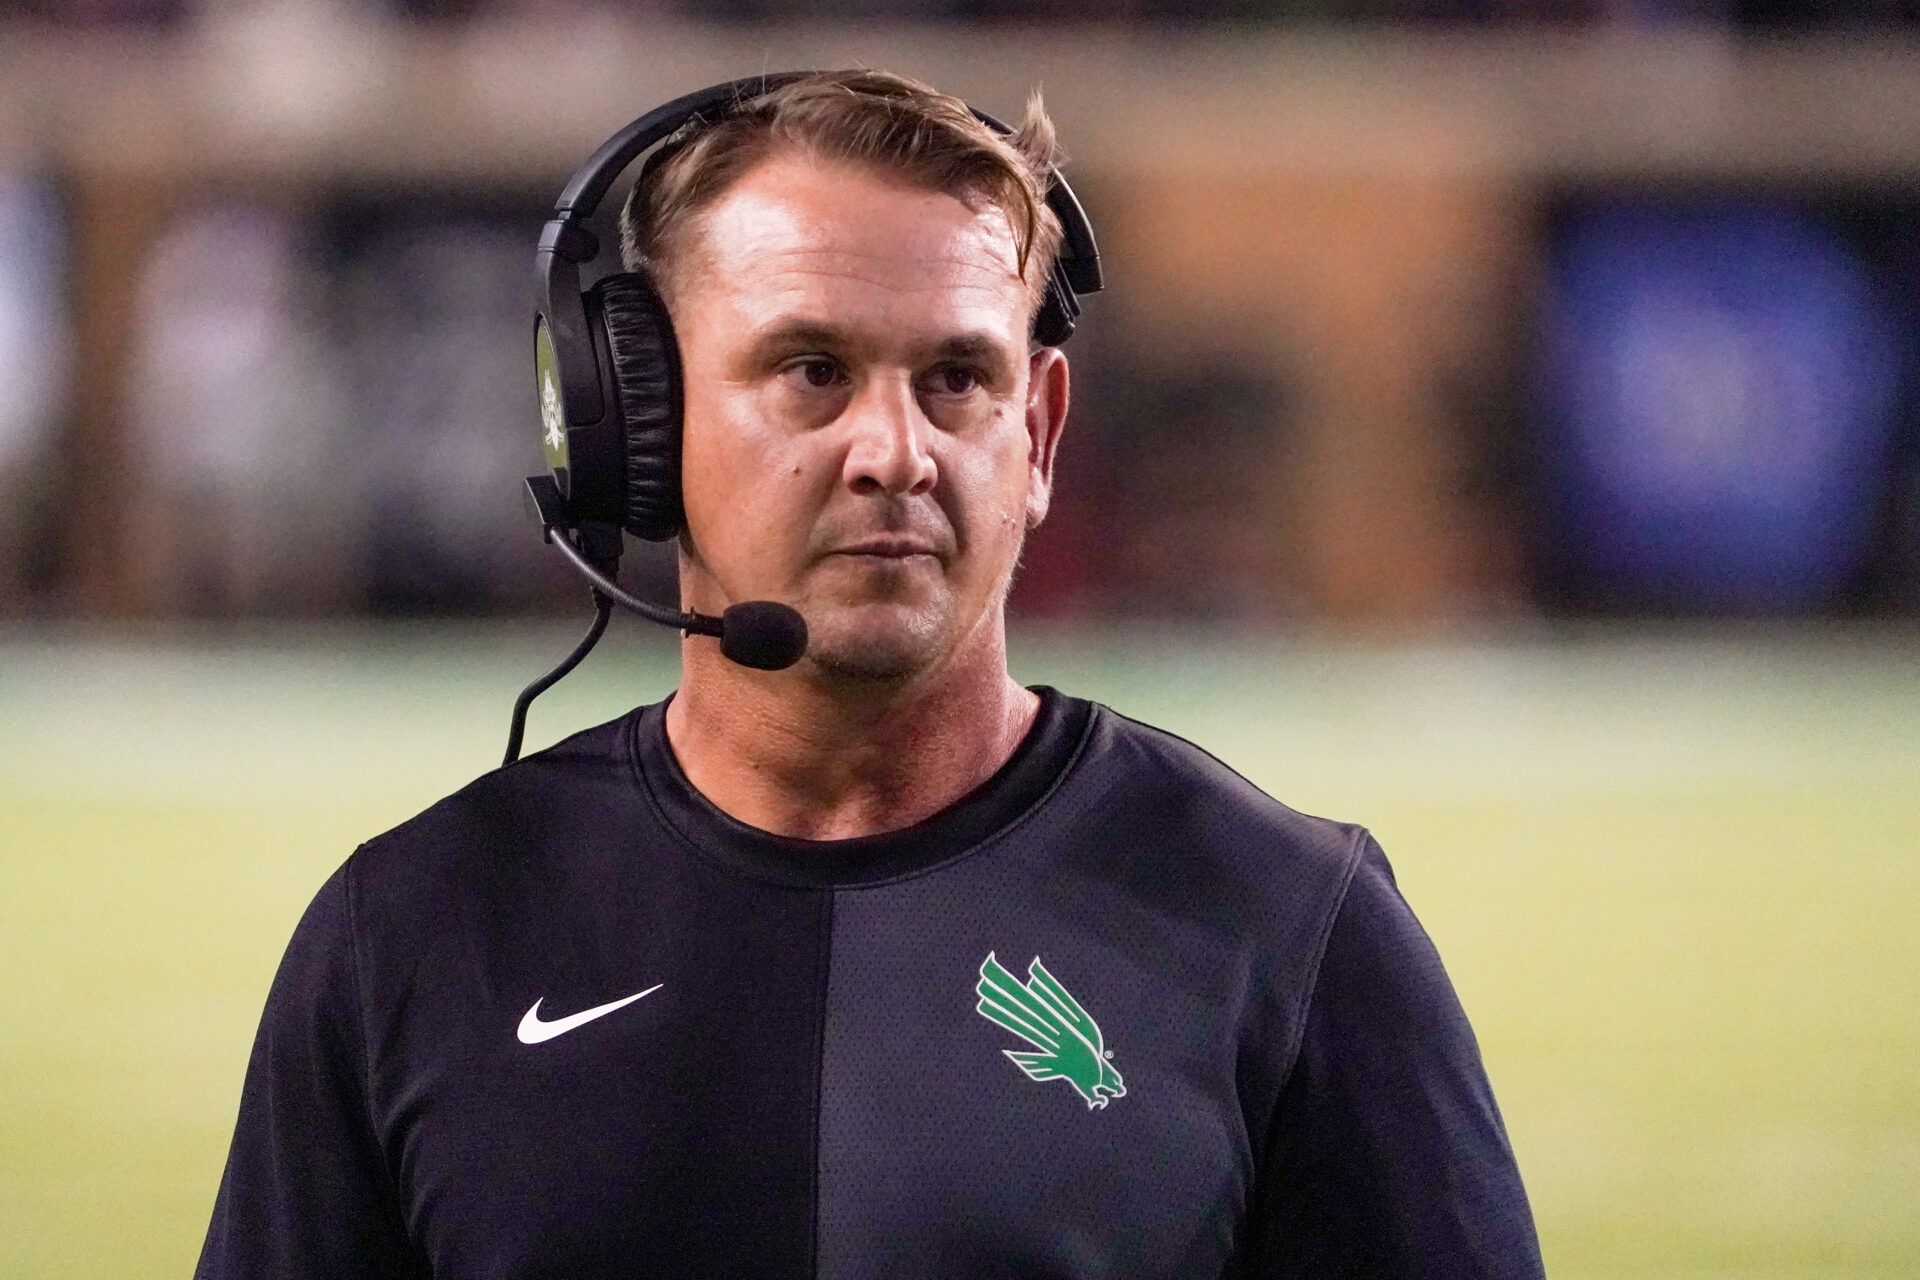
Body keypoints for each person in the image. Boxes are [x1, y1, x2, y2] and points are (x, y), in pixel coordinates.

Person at [197, 69, 1545, 1278]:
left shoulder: (1292, 928)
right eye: (811, 370)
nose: (894, 449)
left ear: (1041, 430)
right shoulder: (415, 933)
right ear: (636, 426)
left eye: (958, 378)